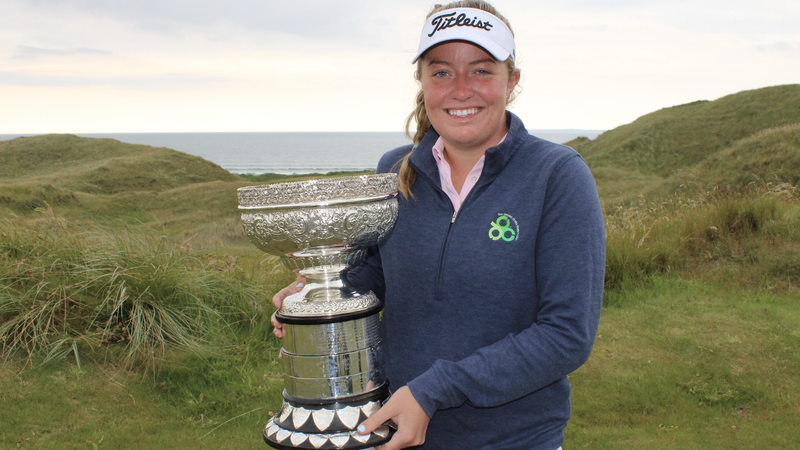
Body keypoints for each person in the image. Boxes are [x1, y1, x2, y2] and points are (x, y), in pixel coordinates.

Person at [272, 1, 605, 449]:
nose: (461, 89)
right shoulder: (393, 169)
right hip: (395, 429)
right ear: (423, 82)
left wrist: (435, 391)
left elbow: (567, 334)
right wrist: (321, 297)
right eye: (442, 72)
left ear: (512, 82)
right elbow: (376, 274)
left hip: (513, 439)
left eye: (482, 71)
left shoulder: (557, 175)